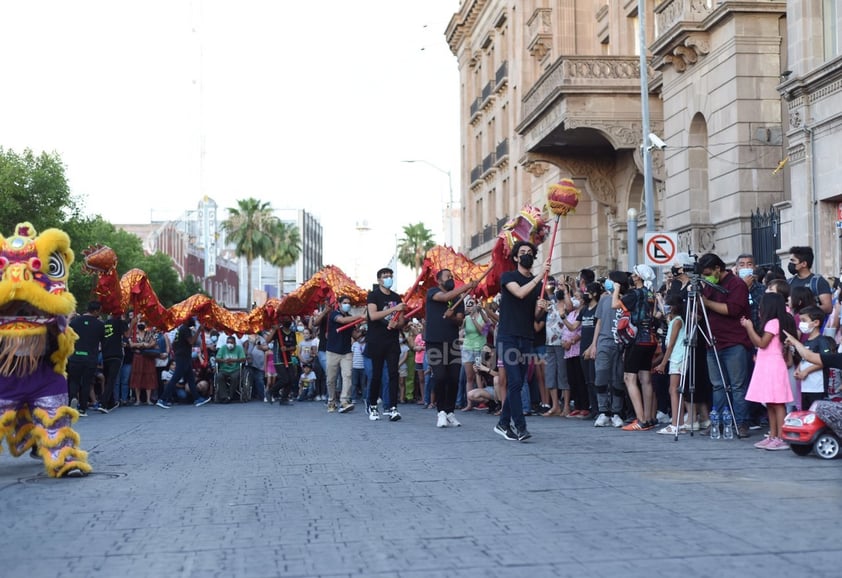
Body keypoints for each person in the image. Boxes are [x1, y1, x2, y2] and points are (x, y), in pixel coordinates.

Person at [493, 241, 550, 442]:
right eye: (522, 252)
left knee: (518, 383)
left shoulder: (538, 285)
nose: (526, 254)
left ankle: (502, 423)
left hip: (526, 337)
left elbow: (534, 316)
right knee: (515, 381)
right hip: (508, 336)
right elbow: (519, 293)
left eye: (529, 252)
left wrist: (542, 308)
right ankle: (520, 427)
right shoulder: (508, 277)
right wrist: (540, 276)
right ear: (516, 257)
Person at [698, 252, 753, 438]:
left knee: (737, 385)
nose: (706, 277)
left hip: (734, 342)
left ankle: (741, 422)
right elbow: (701, 310)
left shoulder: (736, 284)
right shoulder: (709, 286)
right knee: (718, 386)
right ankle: (718, 422)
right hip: (713, 343)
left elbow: (732, 309)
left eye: (708, 273)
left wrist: (707, 302)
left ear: (717, 269)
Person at [740, 292, 796, 450]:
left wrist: (749, 328)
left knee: (777, 404)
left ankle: (781, 437)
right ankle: (773, 435)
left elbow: (762, 343)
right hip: (768, 364)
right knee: (771, 403)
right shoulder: (778, 321)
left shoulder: (772, 323)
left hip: (772, 366)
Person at [425, 268, 474, 428]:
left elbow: (460, 321)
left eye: (452, 277)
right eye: (448, 277)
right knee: (439, 377)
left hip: (452, 344)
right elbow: (445, 297)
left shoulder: (458, 299)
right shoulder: (432, 292)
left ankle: (450, 411)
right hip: (434, 343)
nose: (451, 279)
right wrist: (467, 286)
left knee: (453, 378)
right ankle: (441, 412)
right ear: (439, 280)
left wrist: (452, 316)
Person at [615, 264, 658, 431]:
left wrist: (616, 290)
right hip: (651, 338)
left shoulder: (634, 294)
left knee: (629, 378)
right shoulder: (651, 294)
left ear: (638, 277)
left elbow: (615, 305)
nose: (632, 276)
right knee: (645, 378)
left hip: (637, 339)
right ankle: (648, 418)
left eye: (634, 274)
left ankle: (640, 419)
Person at [365, 267, 406, 422]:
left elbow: (401, 319)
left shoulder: (397, 297)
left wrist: (398, 323)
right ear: (379, 280)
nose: (388, 278)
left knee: (393, 373)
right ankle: (373, 405)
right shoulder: (373, 295)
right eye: (385, 276)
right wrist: (394, 309)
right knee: (376, 374)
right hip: (376, 340)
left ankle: (392, 407)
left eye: (390, 275)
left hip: (392, 341)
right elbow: (373, 315)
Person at [585, 273, 626, 428]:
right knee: (601, 375)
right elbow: (599, 322)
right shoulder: (604, 299)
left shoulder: (626, 299)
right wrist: (593, 344)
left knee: (617, 379)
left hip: (620, 343)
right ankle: (603, 411)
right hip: (604, 342)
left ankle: (616, 412)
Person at [157, 318, 211, 408]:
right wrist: (198, 331)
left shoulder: (180, 329)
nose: (193, 321)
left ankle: (197, 399)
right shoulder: (185, 329)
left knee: (190, 379)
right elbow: (191, 342)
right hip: (183, 357)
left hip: (184, 356)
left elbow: (174, 344)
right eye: (191, 319)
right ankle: (162, 399)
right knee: (175, 378)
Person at [654, 293, 687, 434]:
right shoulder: (674, 320)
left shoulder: (678, 321)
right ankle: (678, 422)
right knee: (674, 390)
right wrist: (660, 300)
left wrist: (663, 363)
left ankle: (675, 424)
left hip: (677, 357)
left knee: (673, 390)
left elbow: (672, 344)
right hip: (676, 357)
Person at [67, 301, 106, 417]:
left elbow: (67, 334)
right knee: (86, 383)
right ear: (96, 311)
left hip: (75, 357)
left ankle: (73, 399)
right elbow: (102, 342)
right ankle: (83, 408)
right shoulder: (100, 325)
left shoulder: (74, 322)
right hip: (90, 358)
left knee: (74, 381)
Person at [324, 295, 363, 413]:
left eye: (349, 303)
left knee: (347, 376)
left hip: (346, 352)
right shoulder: (334, 314)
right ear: (339, 304)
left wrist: (362, 329)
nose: (347, 305)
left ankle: (344, 401)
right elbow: (342, 321)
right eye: (345, 302)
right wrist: (360, 316)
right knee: (331, 379)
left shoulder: (351, 317)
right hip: (332, 351)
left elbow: (355, 336)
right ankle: (331, 401)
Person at [793, 306, 836, 409]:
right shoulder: (806, 342)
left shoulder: (822, 341)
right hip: (806, 387)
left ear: (816, 322)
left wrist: (806, 371)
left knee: (816, 415)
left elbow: (825, 360)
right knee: (806, 414)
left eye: (804, 320)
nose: (801, 324)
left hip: (818, 387)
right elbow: (804, 358)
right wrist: (798, 370)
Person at [460, 296, 489, 411]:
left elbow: (482, 331)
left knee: (479, 375)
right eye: (468, 304)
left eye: (472, 304)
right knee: (469, 377)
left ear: (476, 305)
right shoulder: (465, 318)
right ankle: (469, 403)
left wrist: (472, 318)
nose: (470, 306)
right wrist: (463, 316)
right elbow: (460, 330)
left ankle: (482, 401)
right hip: (467, 348)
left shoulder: (482, 316)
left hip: (479, 348)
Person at [787, 246, 832, 314]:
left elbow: (828, 307)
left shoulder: (818, 282)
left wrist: (805, 310)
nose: (790, 263)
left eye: (793, 260)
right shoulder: (789, 282)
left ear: (804, 264)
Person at [100, 312, 127, 411]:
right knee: (111, 380)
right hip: (116, 354)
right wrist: (132, 323)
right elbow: (127, 334)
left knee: (108, 379)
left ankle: (111, 403)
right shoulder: (120, 322)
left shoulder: (104, 323)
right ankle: (103, 403)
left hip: (105, 354)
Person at [215, 335, 247, 403]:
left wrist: (234, 360)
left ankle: (230, 396)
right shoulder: (223, 348)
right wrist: (224, 361)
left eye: (231, 342)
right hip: (224, 369)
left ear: (235, 343)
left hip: (235, 369)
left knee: (234, 377)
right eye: (228, 342)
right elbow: (217, 358)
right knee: (219, 376)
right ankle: (224, 396)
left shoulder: (239, 348)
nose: (229, 344)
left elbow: (243, 359)